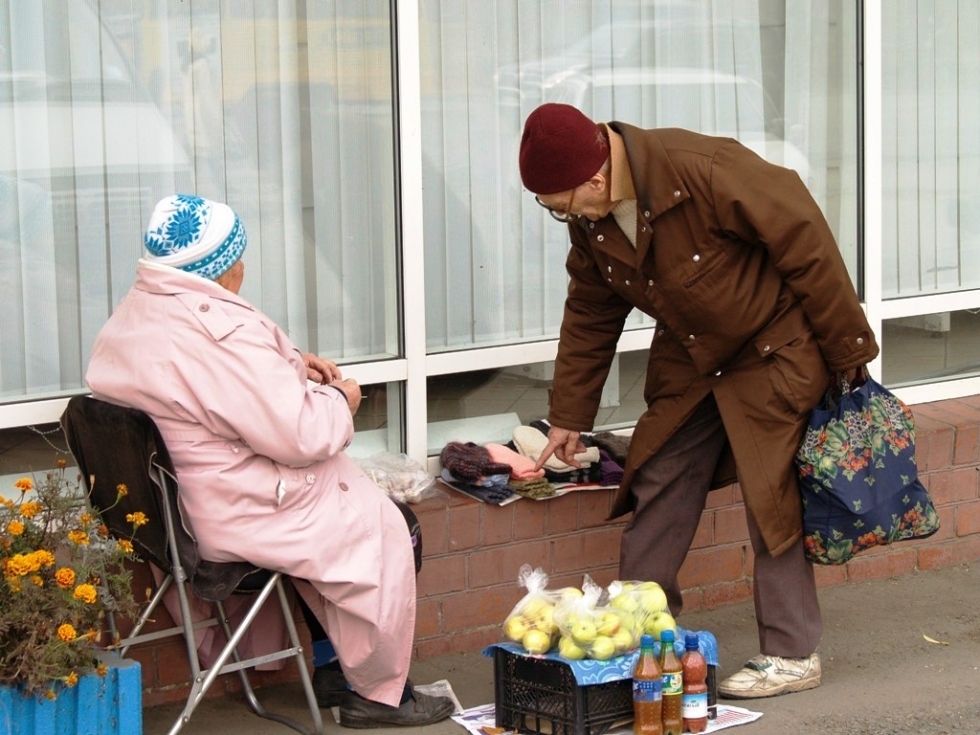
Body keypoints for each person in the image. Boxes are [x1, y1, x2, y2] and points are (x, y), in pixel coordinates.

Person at [519, 103, 878, 699]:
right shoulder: (593, 219)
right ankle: (638, 633)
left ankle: (792, 654)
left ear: (597, 177)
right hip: (693, 356)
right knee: (660, 473)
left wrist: (847, 353)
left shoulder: (704, 167)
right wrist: (569, 417)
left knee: (773, 495)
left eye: (560, 203)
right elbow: (590, 310)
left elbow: (806, 243)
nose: (561, 216)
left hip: (773, 348)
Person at [85, 194, 454, 728]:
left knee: (342, 526)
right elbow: (301, 436)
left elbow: (200, 389)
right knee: (391, 525)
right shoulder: (219, 337)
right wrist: (341, 400)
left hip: (177, 513)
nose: (242, 269)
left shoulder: (139, 313)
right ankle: (377, 695)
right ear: (218, 268)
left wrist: (286, 366)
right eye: (237, 259)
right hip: (236, 514)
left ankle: (333, 668)